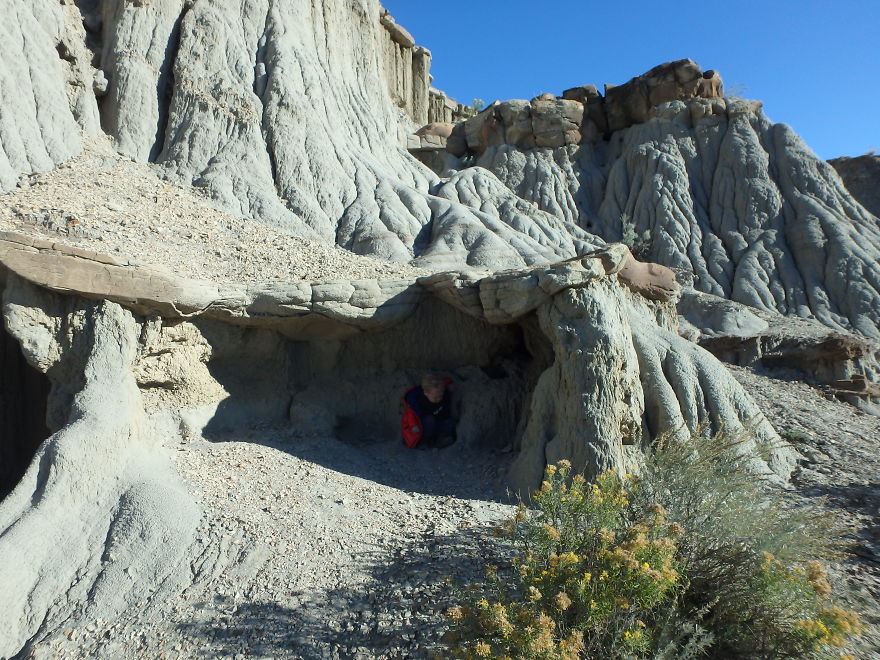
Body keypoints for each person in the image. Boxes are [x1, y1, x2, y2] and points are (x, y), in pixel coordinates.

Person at [401, 373, 457, 449]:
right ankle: (425, 441)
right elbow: (411, 413)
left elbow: (444, 381)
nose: (439, 399)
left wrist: (449, 383)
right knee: (429, 420)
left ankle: (440, 440)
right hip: (424, 427)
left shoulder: (439, 389)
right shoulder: (419, 401)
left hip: (438, 420)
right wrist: (414, 425)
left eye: (441, 396)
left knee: (450, 422)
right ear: (426, 393)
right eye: (435, 397)